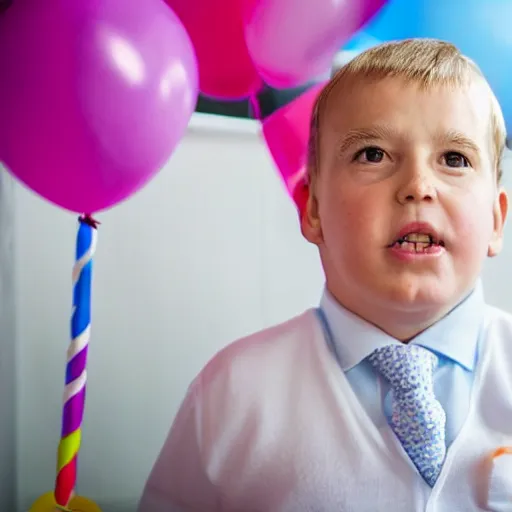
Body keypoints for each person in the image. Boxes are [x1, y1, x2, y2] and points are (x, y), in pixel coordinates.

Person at [138, 38, 512, 511]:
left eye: (454, 159)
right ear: (312, 208)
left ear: (497, 220)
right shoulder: (231, 394)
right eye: (373, 154)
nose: (419, 186)